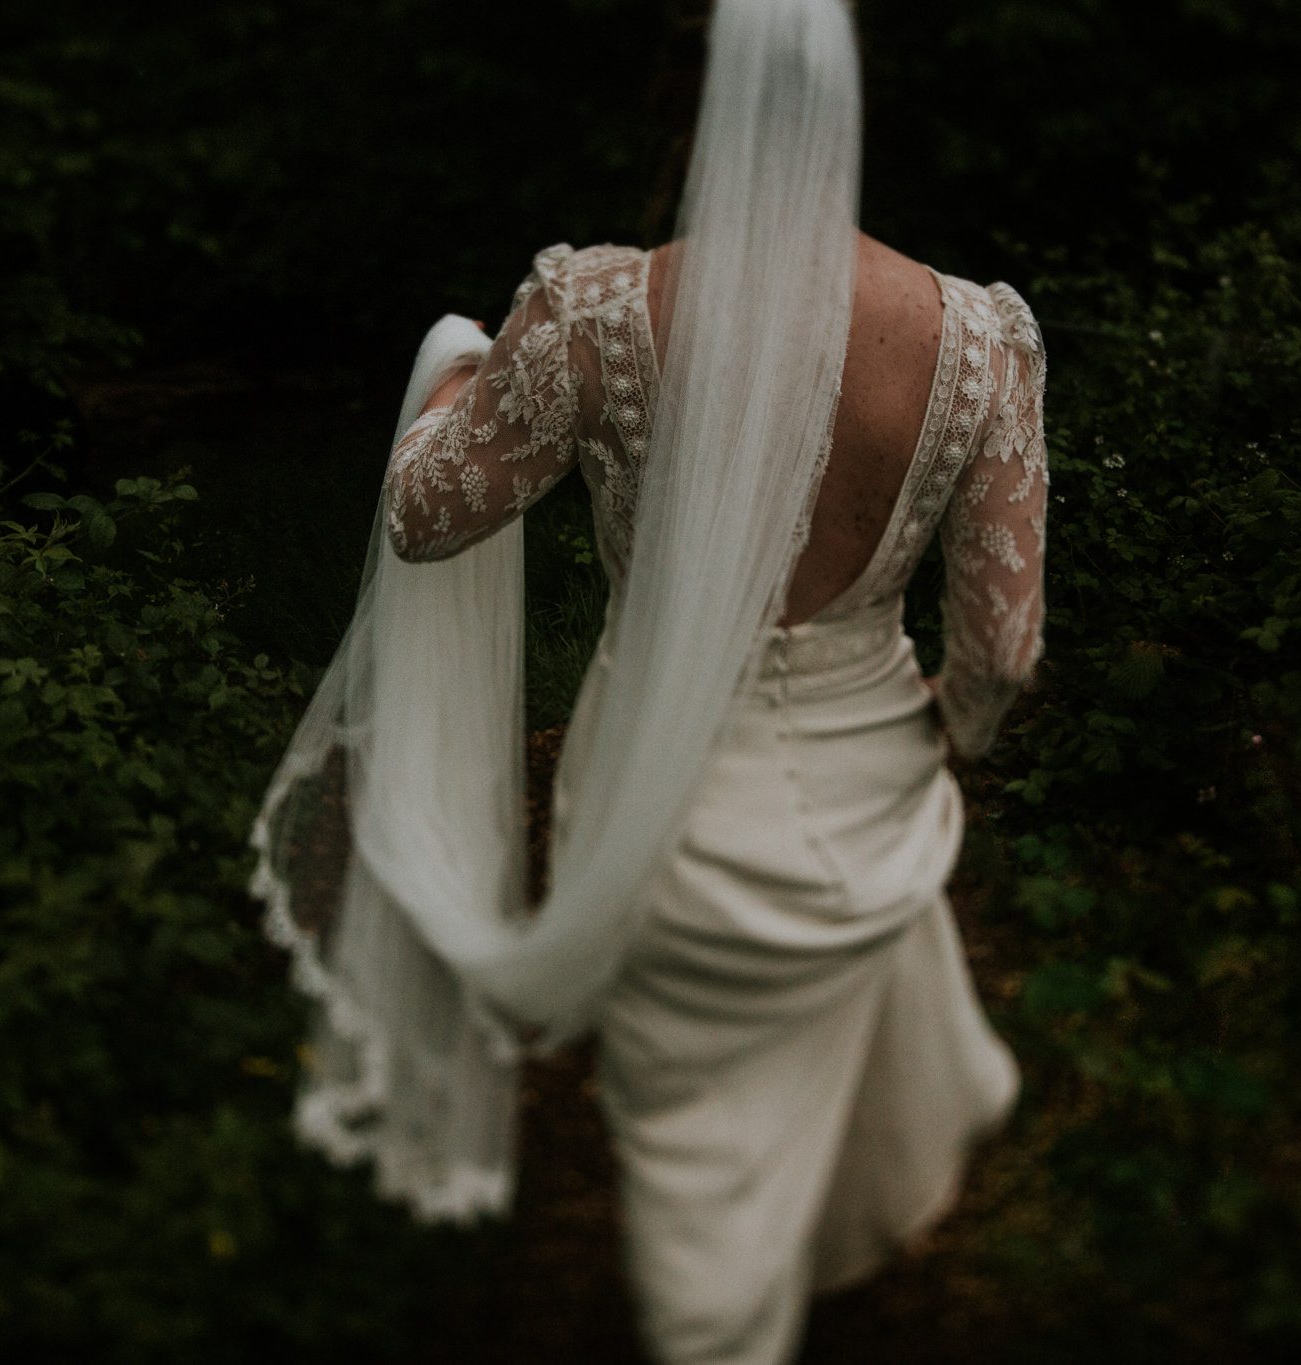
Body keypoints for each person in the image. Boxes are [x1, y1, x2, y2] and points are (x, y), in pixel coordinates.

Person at [252, 2, 1045, 1361]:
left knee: (692, 1174)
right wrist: (946, 733)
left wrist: (451, 378)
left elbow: (424, 516)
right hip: (868, 784)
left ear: (710, 98)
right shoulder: (977, 341)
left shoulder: (600, 312)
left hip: (659, 808)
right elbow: (1006, 648)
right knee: (804, 1092)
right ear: (848, 103)